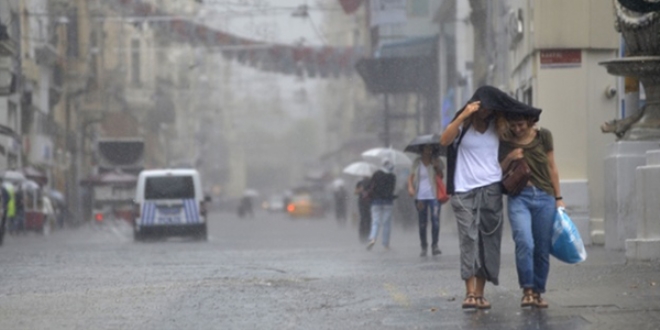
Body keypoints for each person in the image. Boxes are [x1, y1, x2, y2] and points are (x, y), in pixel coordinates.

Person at [440, 85, 542, 310]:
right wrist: (464, 114)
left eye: (490, 109)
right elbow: (444, 140)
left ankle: (480, 293)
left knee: (489, 240)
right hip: (463, 189)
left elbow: (526, 117)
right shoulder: (464, 125)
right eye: (482, 108)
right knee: (468, 239)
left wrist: (512, 157)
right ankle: (469, 292)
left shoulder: (499, 126)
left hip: (491, 189)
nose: (485, 112)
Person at [498, 112, 564, 309]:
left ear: (529, 122)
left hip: (544, 196)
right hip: (519, 197)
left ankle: (538, 291)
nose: (517, 129)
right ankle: (527, 290)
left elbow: (552, 166)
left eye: (521, 125)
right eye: (513, 125)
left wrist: (558, 198)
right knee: (524, 241)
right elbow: (497, 170)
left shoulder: (544, 136)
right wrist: (510, 157)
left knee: (542, 247)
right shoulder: (505, 140)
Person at [407, 144, 443, 257]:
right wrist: (411, 187)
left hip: (434, 196)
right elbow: (411, 177)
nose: (428, 150)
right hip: (420, 196)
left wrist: (437, 167)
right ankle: (424, 246)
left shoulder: (436, 161)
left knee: (435, 221)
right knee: (422, 223)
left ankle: (435, 245)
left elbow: (441, 177)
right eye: (426, 148)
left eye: (430, 148)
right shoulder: (417, 162)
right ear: (422, 150)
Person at [366, 159, 397, 250]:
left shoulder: (376, 174)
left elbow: (370, 186)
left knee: (375, 221)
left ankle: (372, 238)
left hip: (376, 201)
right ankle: (385, 244)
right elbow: (392, 189)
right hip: (388, 201)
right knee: (386, 223)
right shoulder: (392, 176)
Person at [355, 176, 372, 242]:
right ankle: (363, 235)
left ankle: (366, 235)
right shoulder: (360, 183)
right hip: (363, 203)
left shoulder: (372, 183)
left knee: (367, 219)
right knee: (364, 219)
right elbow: (356, 193)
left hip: (368, 203)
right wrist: (360, 190)